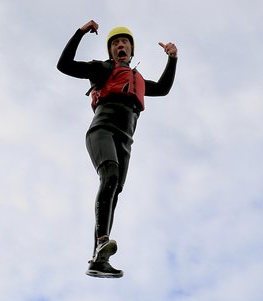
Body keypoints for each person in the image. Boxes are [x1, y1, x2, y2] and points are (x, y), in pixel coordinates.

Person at [57, 20, 178, 278]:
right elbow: (64, 65)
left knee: (114, 192)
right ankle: (102, 240)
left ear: (131, 50)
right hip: (102, 130)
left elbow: (164, 88)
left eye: (124, 42)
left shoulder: (139, 80)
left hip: (125, 140)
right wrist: (79, 32)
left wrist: (173, 59)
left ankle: (98, 260)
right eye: (114, 43)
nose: (119, 45)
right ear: (110, 51)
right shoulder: (103, 69)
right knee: (109, 176)